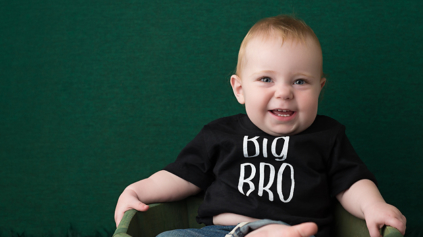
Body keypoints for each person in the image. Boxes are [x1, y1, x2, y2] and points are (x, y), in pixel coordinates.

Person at [114, 15, 406, 237]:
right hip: (224, 232)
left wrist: (373, 206)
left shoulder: (327, 136)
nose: (284, 92)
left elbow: (352, 181)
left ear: (320, 88)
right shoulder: (220, 134)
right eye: (266, 79)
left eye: (300, 81)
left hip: (296, 231)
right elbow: (182, 174)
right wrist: (138, 190)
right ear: (239, 89)